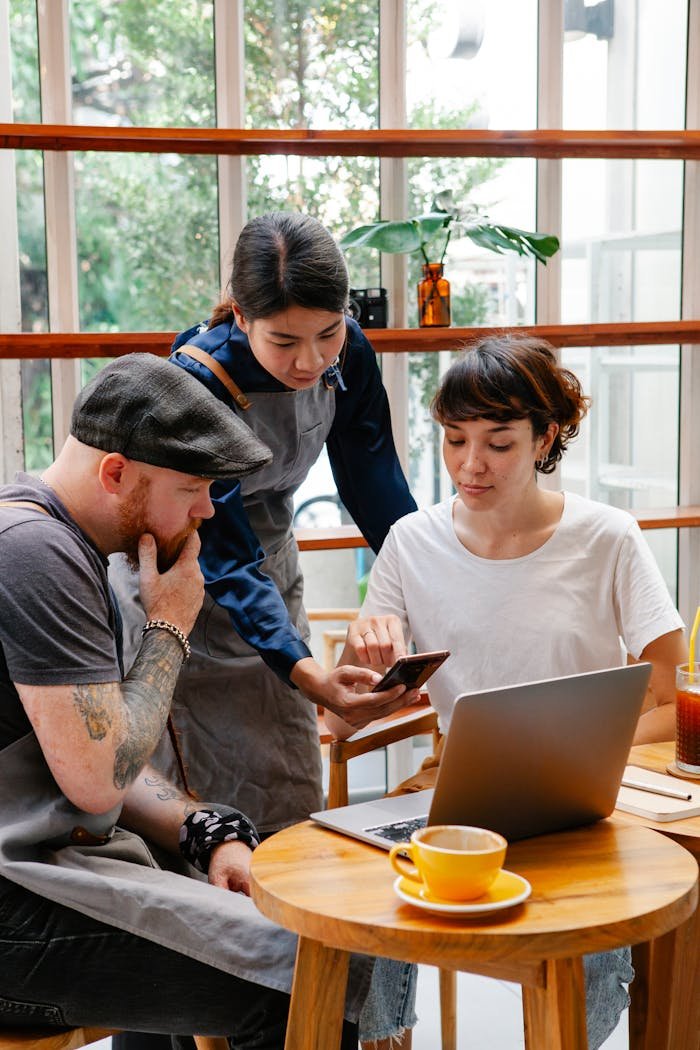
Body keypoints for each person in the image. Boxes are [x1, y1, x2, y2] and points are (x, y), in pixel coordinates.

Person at [0, 353, 397, 1049]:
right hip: (15, 912)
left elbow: (85, 749)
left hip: (42, 874)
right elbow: (96, 778)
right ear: (115, 473)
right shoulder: (36, 554)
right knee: (315, 971)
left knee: (295, 937)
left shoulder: (54, 539)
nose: (207, 510)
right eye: (192, 487)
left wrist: (203, 829)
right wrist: (170, 626)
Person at [327, 334, 686, 1050]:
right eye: (457, 440)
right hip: (451, 790)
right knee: (361, 901)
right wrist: (365, 672)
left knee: (592, 933)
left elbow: (674, 699)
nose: (470, 464)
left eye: (498, 442)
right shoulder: (410, 541)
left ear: (545, 436)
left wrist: (596, 756)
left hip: (581, 801)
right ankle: (384, 1040)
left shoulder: (606, 537)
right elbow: (344, 715)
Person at [110, 212, 419, 836]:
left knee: (291, 766)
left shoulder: (349, 350)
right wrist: (307, 671)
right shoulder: (198, 379)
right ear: (242, 317)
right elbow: (221, 547)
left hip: (271, 561)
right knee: (209, 778)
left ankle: (295, 925)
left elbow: (372, 477)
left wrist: (428, 569)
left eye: (327, 333)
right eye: (284, 341)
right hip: (187, 571)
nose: (310, 361)